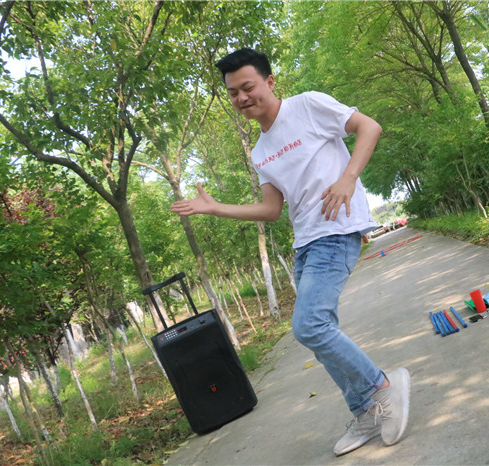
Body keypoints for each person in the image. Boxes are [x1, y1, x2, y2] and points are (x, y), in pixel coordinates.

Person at [170, 48, 410, 456]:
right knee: (319, 334)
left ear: (269, 82)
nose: (241, 97)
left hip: (337, 229)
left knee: (310, 326)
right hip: (305, 243)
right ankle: (365, 412)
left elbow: (369, 127)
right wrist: (215, 208)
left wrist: (348, 178)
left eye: (247, 86)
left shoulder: (307, 106)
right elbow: (271, 209)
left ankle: (382, 387)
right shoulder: (260, 151)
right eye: (233, 93)